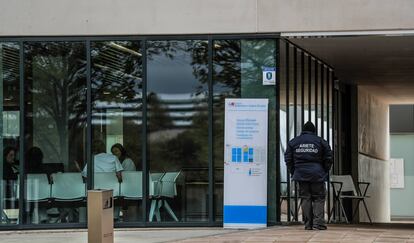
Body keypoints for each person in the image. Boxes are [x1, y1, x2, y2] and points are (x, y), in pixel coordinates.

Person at [284, 121, 332, 230]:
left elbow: (288, 159)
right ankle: (318, 224)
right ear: (314, 131)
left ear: (303, 130)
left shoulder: (293, 142)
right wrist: (324, 170)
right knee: (319, 198)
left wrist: (294, 171)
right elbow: (329, 157)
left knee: (305, 198)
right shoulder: (321, 141)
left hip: (301, 174)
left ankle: (308, 224)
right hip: (317, 173)